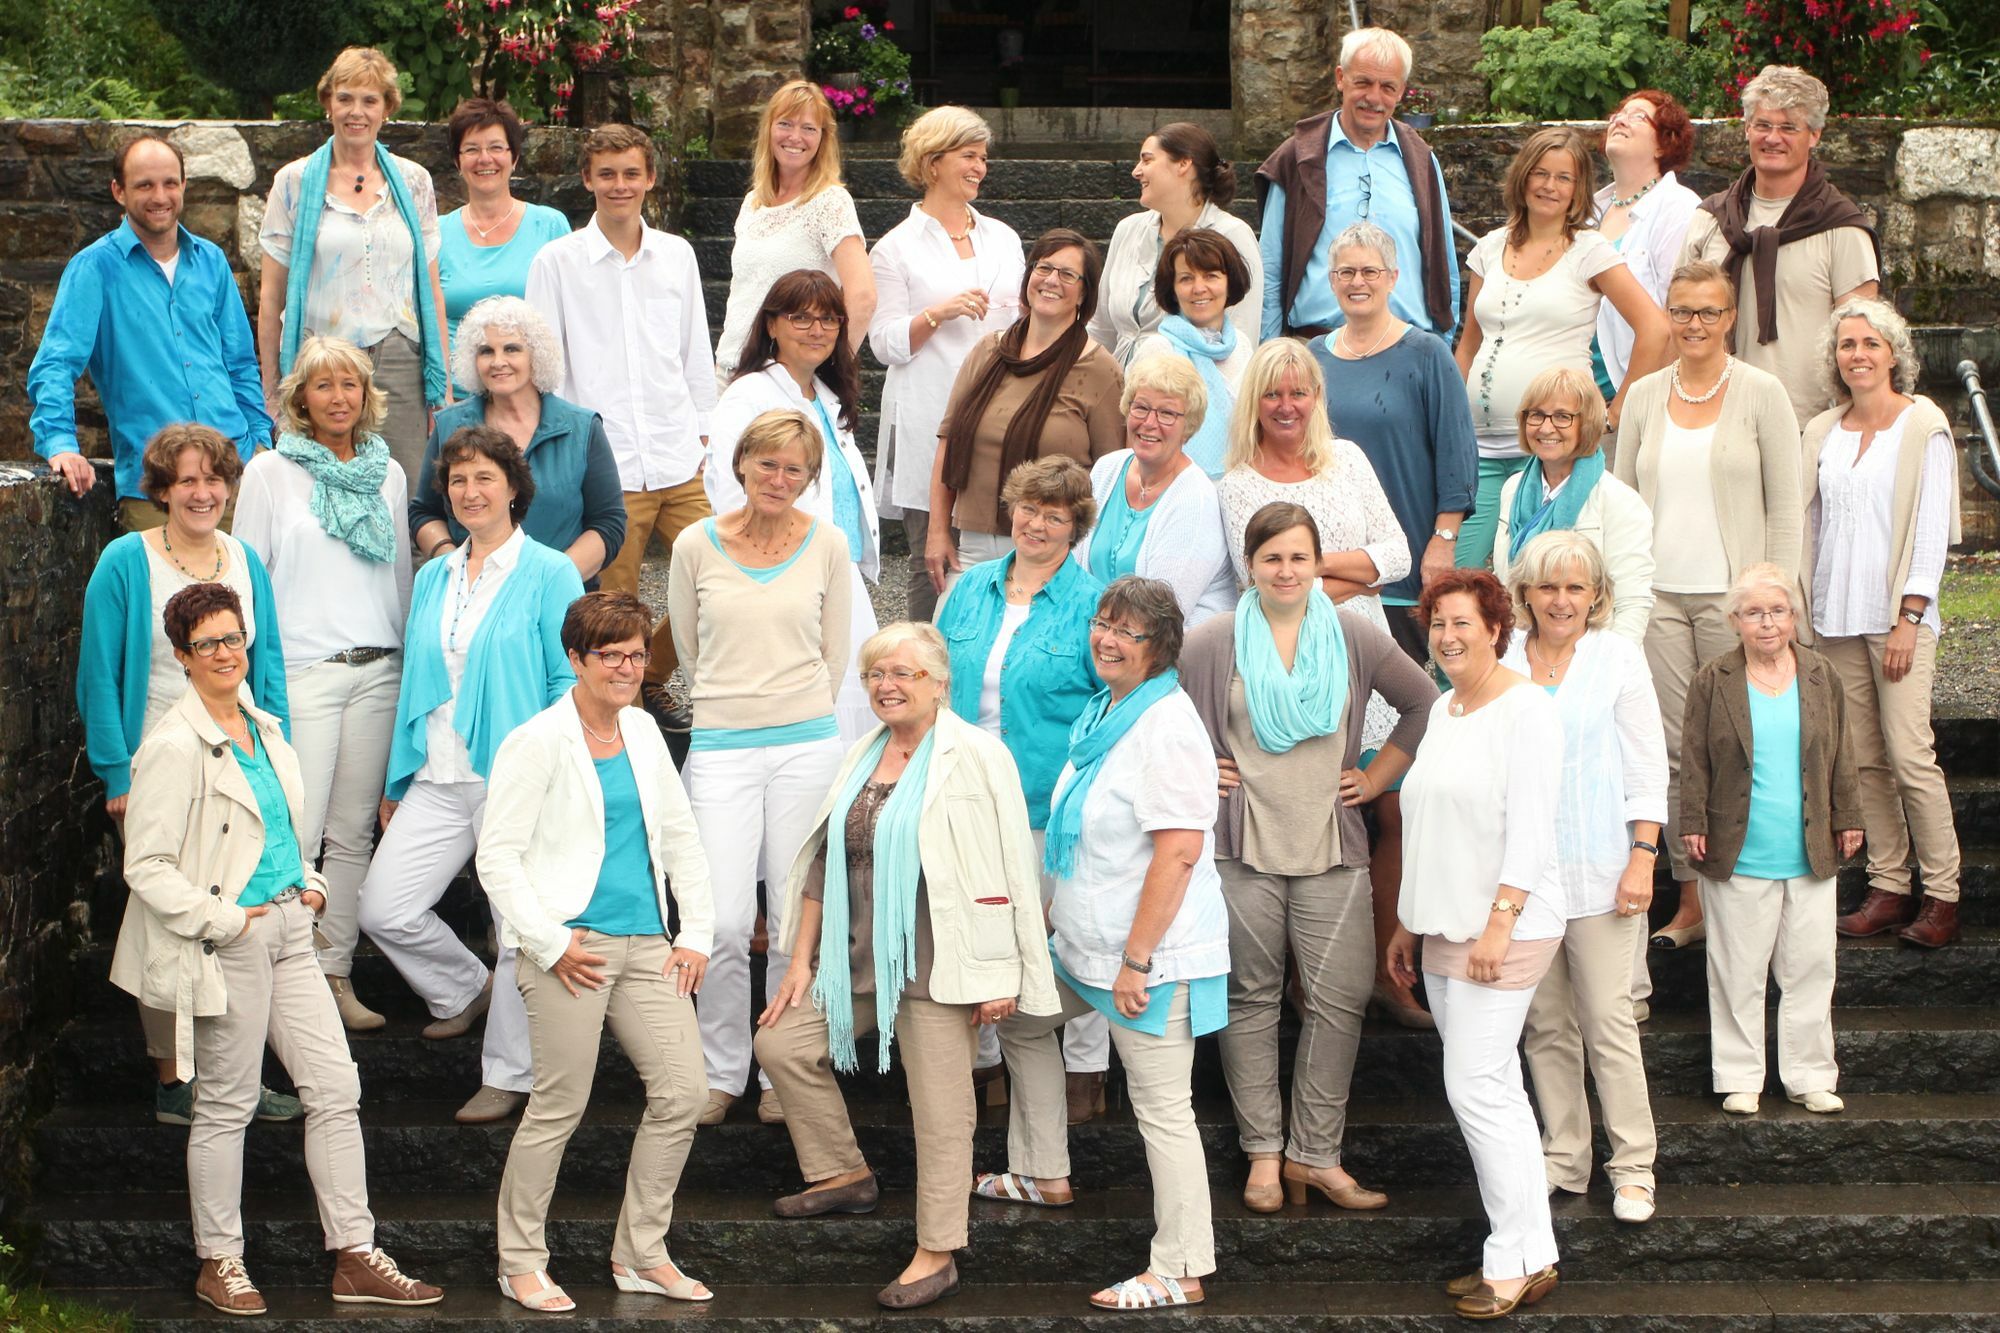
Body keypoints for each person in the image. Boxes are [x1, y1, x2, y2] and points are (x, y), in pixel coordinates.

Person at [116, 582, 442, 1317]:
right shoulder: (172, 744)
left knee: (336, 1087)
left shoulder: (264, 728)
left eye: (232, 638)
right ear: (182, 656)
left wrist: (313, 885)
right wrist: (226, 920)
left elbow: (285, 834)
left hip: (293, 929)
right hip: (230, 938)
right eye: (206, 643)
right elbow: (147, 866)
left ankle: (355, 1255)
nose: (224, 653)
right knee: (226, 1103)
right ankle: (220, 1261)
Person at [755, 623, 1060, 1311]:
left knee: (942, 1113)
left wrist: (1004, 973)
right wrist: (800, 961)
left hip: (941, 962)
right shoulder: (862, 753)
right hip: (856, 957)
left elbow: (1014, 865)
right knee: (781, 1043)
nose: (886, 685)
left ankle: (938, 1251)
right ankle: (842, 1172)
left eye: (902, 673)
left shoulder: (978, 754)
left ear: (939, 682)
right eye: (875, 673)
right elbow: (823, 864)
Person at [1180, 503, 1435, 1215]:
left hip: (1333, 843)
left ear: (1318, 562)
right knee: (1250, 999)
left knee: (1340, 1001)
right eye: (1272, 558)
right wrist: (1200, 767)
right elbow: (1162, 720)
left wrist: (1377, 779)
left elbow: (1422, 702)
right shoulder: (1212, 641)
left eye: (1299, 557)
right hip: (1244, 845)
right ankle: (1264, 1153)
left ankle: (1316, 1155)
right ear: (1249, 566)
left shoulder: (1353, 633)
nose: (1286, 571)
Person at [983, 577, 1228, 1311]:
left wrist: (1136, 961)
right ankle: (1042, 1170)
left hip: (1148, 959)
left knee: (1163, 1109)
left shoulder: (1167, 726)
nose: (1107, 639)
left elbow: (1178, 852)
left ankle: (1181, 1267)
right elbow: (1088, 836)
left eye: (1127, 631)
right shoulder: (1107, 710)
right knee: (1023, 1019)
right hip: (1083, 948)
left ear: (1161, 647)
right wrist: (1050, 919)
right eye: (1102, 623)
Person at [477, 592, 716, 1312]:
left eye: (636, 654)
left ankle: (641, 1252)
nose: (626, 668)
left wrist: (695, 933)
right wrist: (549, 942)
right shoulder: (537, 740)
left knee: (684, 1093)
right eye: (609, 654)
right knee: (559, 1105)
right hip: (570, 947)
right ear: (576, 659)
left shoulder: (642, 729)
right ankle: (520, 1261)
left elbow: (681, 837)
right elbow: (496, 858)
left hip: (648, 943)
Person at [358, 426, 584, 1126]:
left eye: (484, 477)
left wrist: (556, 770)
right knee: (383, 907)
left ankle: (508, 1073)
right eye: (457, 480)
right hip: (435, 771)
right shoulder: (434, 576)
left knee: (515, 926)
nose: (469, 491)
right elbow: (416, 680)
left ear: (514, 488)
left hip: (512, 776)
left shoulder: (549, 571)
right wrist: (397, 780)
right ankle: (463, 988)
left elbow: (564, 679)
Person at [80, 423, 297, 1126]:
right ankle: (174, 1078)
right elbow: (97, 673)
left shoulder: (244, 560)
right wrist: (116, 774)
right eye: (187, 481)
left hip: (240, 765)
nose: (202, 493)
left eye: (214, 479)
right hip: (159, 765)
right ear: (163, 490)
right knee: (171, 922)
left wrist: (278, 758)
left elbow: (268, 668)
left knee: (238, 917)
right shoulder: (127, 560)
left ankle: (236, 1075)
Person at [1387, 568, 1563, 1320]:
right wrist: (1408, 920)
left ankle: (1512, 1259)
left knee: (1476, 1087)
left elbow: (1533, 827)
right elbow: (1428, 824)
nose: (1448, 636)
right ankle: (1531, 1252)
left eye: (1463, 622)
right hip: (1444, 924)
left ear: (1496, 628)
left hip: (1504, 927)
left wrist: (1501, 921)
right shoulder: (1446, 708)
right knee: (1496, 1091)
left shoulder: (1527, 710)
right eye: (1438, 624)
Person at [668, 409, 852, 1126]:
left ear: (809, 478)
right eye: (767, 463)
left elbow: (835, 655)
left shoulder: (828, 543)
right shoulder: (694, 543)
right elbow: (689, 649)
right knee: (719, 921)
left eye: (794, 469)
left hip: (807, 745)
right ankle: (721, 1070)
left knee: (792, 917)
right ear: (740, 462)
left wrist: (795, 713)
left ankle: (782, 1069)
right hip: (722, 745)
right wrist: (735, 710)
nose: (779, 478)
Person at [1614, 261, 1802, 959]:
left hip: (1737, 605)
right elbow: (1621, 503)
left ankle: (1749, 888)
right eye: (1682, 311)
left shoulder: (1761, 393)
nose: (1694, 324)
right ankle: (1690, 895)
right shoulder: (1643, 396)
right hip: (1658, 599)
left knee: (1741, 742)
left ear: (1730, 318)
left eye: (1708, 312)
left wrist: (1773, 601)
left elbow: (1786, 507)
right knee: (1669, 750)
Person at [233, 336, 412, 1034]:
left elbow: (400, 576)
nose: (339, 398)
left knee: (353, 834)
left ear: (367, 395)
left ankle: (335, 972)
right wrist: (249, 684)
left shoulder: (388, 473)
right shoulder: (269, 472)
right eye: (323, 385)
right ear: (300, 398)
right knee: (299, 832)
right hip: (304, 674)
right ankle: (291, 981)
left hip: (379, 671)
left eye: (350, 384)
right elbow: (245, 581)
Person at [933, 455, 1109, 1115]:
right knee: (978, 928)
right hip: (963, 789)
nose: (1036, 524)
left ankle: (1084, 1067)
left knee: (1059, 934)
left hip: (1045, 796)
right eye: (1029, 509)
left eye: (1054, 516)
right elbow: (934, 678)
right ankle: (985, 1064)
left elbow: (1108, 707)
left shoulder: (1094, 604)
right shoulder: (971, 587)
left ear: (1075, 526)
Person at [527, 123, 718, 732]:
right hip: (606, 464)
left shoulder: (677, 256)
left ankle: (654, 677)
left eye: (631, 173)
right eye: (606, 174)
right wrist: (567, 454)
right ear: (587, 179)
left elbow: (694, 350)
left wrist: (705, 435)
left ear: (650, 179)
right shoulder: (557, 262)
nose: (619, 185)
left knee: (720, 583)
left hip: (678, 453)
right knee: (612, 615)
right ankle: (622, 732)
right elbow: (546, 368)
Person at [1500, 531, 1666, 1222]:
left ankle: (1633, 1168)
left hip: (1602, 872)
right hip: (1527, 881)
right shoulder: (1503, 659)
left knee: (1607, 1020)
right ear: (1525, 594)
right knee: (1545, 1025)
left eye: (1575, 587)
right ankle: (1565, 1156)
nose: (1561, 600)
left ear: (1596, 595)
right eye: (1548, 586)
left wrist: (1643, 857)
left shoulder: (1617, 657)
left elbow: (1646, 766)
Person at [1809, 300, 1964, 949]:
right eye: (1847, 345)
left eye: (1870, 343)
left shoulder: (1922, 425)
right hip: (1835, 617)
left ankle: (1944, 894)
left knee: (1909, 753)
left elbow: (1930, 530)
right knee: (1864, 759)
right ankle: (1889, 884)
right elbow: (1810, 521)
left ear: (1893, 353)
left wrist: (1910, 616)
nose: (1858, 355)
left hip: (1897, 618)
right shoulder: (1823, 429)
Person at [1681, 563, 1862, 1116]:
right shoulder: (1713, 679)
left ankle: (1809, 1075)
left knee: (1811, 967)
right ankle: (1740, 1077)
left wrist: (1848, 815)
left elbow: (1842, 751)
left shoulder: (1820, 673)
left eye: (1778, 611)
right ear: (1734, 620)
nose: (1767, 623)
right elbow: (1693, 758)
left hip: (1808, 847)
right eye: (1754, 612)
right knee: (1737, 971)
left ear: (1794, 617)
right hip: (1739, 848)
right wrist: (1692, 821)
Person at [1456, 125, 1669, 570]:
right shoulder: (1490, 248)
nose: (1549, 186)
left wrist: (1615, 411)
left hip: (1551, 448)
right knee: (1461, 575)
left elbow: (1655, 328)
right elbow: (1469, 345)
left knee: (1541, 573)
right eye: (1540, 173)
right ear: (1522, 177)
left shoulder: (1589, 251)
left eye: (1563, 177)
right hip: (1479, 448)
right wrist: (1452, 420)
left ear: (1578, 190)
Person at [29, 134, 270, 518]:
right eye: (144, 185)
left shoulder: (211, 260)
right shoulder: (95, 268)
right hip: (155, 488)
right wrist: (60, 443)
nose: (160, 196)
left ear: (183, 185)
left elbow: (240, 363)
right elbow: (56, 363)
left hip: (235, 476)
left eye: (170, 183)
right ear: (119, 191)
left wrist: (260, 444)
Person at [259, 47, 449, 491]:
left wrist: (442, 391)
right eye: (345, 98)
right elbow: (270, 298)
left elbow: (431, 289)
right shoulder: (294, 182)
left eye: (369, 100)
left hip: (399, 361)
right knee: (320, 491)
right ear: (328, 103)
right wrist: (272, 394)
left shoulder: (415, 181)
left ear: (387, 108)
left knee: (404, 492)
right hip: (321, 365)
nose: (356, 112)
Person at [706, 270, 880, 743]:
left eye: (829, 319)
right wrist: (762, 566)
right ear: (771, 325)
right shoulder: (749, 395)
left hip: (837, 568)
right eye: (800, 318)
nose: (816, 330)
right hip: (784, 572)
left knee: (849, 695)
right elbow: (730, 487)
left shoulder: (827, 395)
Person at [867, 105, 1025, 621]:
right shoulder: (894, 249)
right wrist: (938, 313)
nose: (980, 167)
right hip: (927, 414)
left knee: (1007, 551)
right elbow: (884, 344)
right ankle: (921, 660)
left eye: (983, 157)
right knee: (932, 559)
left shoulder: (1003, 237)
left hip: (1002, 417)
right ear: (932, 162)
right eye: (968, 156)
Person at [1219, 339, 1409, 753]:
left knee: (1380, 774)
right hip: (1292, 658)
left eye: (1298, 393)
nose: (1286, 406)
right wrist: (1363, 579)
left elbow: (1399, 555)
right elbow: (1264, 588)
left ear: (1316, 396)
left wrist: (1317, 565)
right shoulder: (1237, 486)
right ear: (1253, 401)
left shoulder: (1348, 458)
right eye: (1272, 394)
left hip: (1367, 642)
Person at [1309, 221, 1477, 665]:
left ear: (1393, 278)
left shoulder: (1427, 354)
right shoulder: (1313, 358)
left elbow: (1456, 456)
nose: (1357, 282)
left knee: (1406, 690)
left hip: (1405, 563)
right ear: (1331, 281)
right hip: (1334, 570)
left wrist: (1443, 540)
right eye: (1346, 272)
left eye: (1370, 271)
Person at [1680, 65, 1882, 428]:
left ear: (1815, 135)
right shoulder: (1710, 220)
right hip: (1712, 420)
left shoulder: (1842, 228)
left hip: (1807, 426)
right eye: (1763, 125)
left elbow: (1861, 341)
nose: (1773, 138)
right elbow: (1677, 319)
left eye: (1789, 127)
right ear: (1747, 129)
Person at [927, 229, 1126, 594]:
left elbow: (1111, 476)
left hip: (1049, 554)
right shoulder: (987, 353)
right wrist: (937, 531)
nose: (1051, 280)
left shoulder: (1101, 370)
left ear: (1084, 293)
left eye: (1068, 274)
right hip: (971, 545)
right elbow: (948, 442)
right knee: (951, 631)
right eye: (1043, 267)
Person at [1255, 26, 1458, 342]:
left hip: (1406, 351)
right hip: (1315, 349)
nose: (1374, 98)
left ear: (1401, 91)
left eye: (1387, 87)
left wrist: (1441, 347)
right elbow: (1270, 269)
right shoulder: (1298, 157)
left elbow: (1445, 267)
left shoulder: (1422, 162)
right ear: (1341, 78)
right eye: (1363, 82)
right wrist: (1270, 352)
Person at [411, 296, 626, 582]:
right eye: (486, 351)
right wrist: (454, 564)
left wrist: (548, 582)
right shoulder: (449, 425)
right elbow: (424, 512)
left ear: (535, 355)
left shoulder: (583, 428)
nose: (498, 362)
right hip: (472, 593)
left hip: (560, 596)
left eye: (511, 349)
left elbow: (608, 522)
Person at [715, 80, 875, 376]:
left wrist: (829, 369)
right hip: (730, 370)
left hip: (787, 378)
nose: (795, 137)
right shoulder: (753, 203)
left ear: (823, 138)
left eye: (809, 128)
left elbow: (862, 296)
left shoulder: (830, 202)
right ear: (768, 129)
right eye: (785, 124)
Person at [1073, 355, 1237, 627]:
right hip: (1097, 631)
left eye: (1167, 413)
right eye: (1141, 408)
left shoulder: (1195, 500)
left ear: (1189, 425)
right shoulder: (1106, 469)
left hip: (1166, 642)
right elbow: (1075, 573)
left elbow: (1159, 614)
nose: (1149, 422)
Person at [1494, 366, 1655, 643]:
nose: (1546, 428)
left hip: (1594, 653)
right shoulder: (1512, 489)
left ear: (1588, 423)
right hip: (1524, 649)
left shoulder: (1619, 501)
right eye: (1536, 415)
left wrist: (1611, 663)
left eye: (1562, 417)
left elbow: (1632, 604)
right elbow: (1505, 586)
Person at [1090, 122, 1260, 366]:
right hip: (1120, 382)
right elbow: (1101, 329)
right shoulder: (1127, 230)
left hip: (1192, 383)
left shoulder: (1232, 235)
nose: (1136, 171)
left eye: (1147, 160)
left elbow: (1241, 337)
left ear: (1183, 164)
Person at [437, 97, 571, 384]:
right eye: (472, 149)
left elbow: (572, 318)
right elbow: (426, 326)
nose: (485, 159)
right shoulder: (436, 233)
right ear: (457, 161)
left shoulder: (550, 226)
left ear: (515, 157)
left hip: (533, 394)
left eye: (496, 147)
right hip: (457, 397)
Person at [1591, 92, 1702, 404]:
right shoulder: (1587, 212)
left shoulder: (1678, 208)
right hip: (1576, 401)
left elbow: (1680, 315)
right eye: (1619, 114)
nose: (1621, 120)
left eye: (1639, 116)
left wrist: (1635, 406)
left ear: (1663, 144)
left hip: (1635, 399)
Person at [1129, 229, 1256, 479]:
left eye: (1211, 276)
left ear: (1230, 282)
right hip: (1172, 485)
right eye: (1186, 278)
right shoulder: (1158, 350)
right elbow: (1136, 434)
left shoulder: (1242, 346)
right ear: (1172, 289)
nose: (1199, 288)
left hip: (1239, 480)